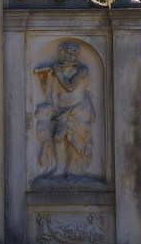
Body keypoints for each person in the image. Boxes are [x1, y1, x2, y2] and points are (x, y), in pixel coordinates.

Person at [34, 41, 95, 178]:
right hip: (63, 110)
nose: (70, 57)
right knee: (58, 138)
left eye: (73, 54)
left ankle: (74, 172)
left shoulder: (82, 69)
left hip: (79, 110)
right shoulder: (57, 69)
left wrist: (59, 73)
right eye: (67, 54)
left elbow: (70, 86)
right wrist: (48, 76)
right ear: (62, 55)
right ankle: (60, 169)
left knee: (75, 144)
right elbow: (47, 92)